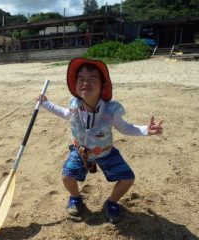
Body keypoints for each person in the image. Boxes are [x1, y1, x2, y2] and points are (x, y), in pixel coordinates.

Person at [37, 57, 163, 224]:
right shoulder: (74, 106)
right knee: (67, 177)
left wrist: (146, 130)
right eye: (80, 78)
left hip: (105, 152)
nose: (85, 82)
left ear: (103, 86)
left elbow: (125, 128)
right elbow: (63, 113)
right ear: (75, 85)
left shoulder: (110, 110)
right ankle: (75, 198)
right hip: (81, 152)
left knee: (127, 178)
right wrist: (45, 103)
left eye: (92, 79)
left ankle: (111, 202)